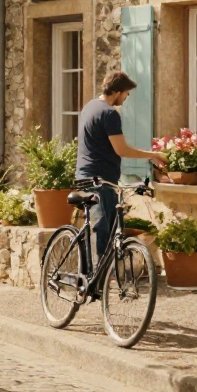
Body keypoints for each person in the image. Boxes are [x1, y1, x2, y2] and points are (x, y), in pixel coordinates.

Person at [74, 71, 167, 263]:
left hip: (84, 175)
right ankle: (99, 279)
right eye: (126, 93)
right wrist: (153, 155)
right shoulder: (109, 114)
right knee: (103, 229)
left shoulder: (90, 106)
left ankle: (95, 278)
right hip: (101, 179)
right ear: (117, 92)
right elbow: (122, 149)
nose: (127, 97)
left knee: (100, 227)